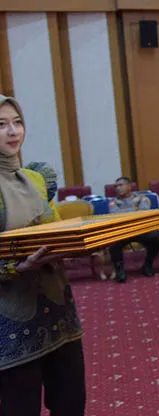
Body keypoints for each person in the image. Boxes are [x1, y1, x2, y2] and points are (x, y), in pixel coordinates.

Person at [0, 95, 85, 415]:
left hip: (58, 312)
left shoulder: (36, 179)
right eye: (1, 125)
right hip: (11, 319)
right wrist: (16, 266)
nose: (13, 132)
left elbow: (55, 229)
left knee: (71, 401)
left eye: (17, 122)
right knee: (19, 407)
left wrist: (80, 242)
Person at [107, 176, 159, 283]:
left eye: (121, 185)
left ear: (129, 186)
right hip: (122, 231)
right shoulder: (113, 202)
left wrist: (125, 212)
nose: (118, 188)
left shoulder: (142, 199)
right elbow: (115, 216)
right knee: (112, 242)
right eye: (116, 186)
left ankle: (148, 265)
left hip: (139, 229)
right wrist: (134, 209)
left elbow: (143, 214)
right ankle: (119, 270)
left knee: (155, 237)